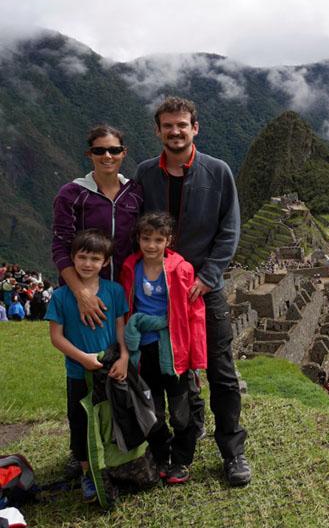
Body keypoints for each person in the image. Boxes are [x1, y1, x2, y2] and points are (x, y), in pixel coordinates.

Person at [135, 97, 249, 487]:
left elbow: (229, 230)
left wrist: (208, 276)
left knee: (221, 371)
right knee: (163, 370)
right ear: (158, 131)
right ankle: (167, 447)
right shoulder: (145, 174)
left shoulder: (217, 172)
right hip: (159, 293)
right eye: (168, 125)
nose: (175, 131)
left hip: (205, 289)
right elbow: (138, 229)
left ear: (195, 128)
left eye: (182, 124)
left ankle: (232, 451)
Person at [120, 212, 206, 485]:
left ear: (169, 241)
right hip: (143, 351)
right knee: (152, 411)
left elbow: (194, 314)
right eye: (146, 238)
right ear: (138, 239)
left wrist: (196, 356)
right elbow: (125, 308)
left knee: (181, 412)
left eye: (158, 240)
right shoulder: (130, 268)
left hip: (174, 350)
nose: (152, 245)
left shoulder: (181, 270)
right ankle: (161, 454)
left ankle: (181, 460)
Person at [45, 229, 130, 502]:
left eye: (95, 258)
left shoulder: (114, 291)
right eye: (82, 257)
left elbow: (121, 327)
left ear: (106, 262)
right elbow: (56, 337)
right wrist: (82, 358)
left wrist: (124, 357)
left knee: (111, 418)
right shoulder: (61, 296)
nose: (87, 264)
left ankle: (115, 465)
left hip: (110, 368)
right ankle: (87, 472)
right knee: (80, 420)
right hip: (78, 372)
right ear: (72, 258)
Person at [52, 125, 142, 327]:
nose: (107, 156)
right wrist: (82, 294)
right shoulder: (72, 194)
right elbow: (60, 247)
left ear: (124, 152)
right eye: (99, 151)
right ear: (89, 154)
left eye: (114, 150)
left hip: (127, 293)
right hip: (84, 292)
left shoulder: (135, 193)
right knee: (86, 345)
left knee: (126, 346)